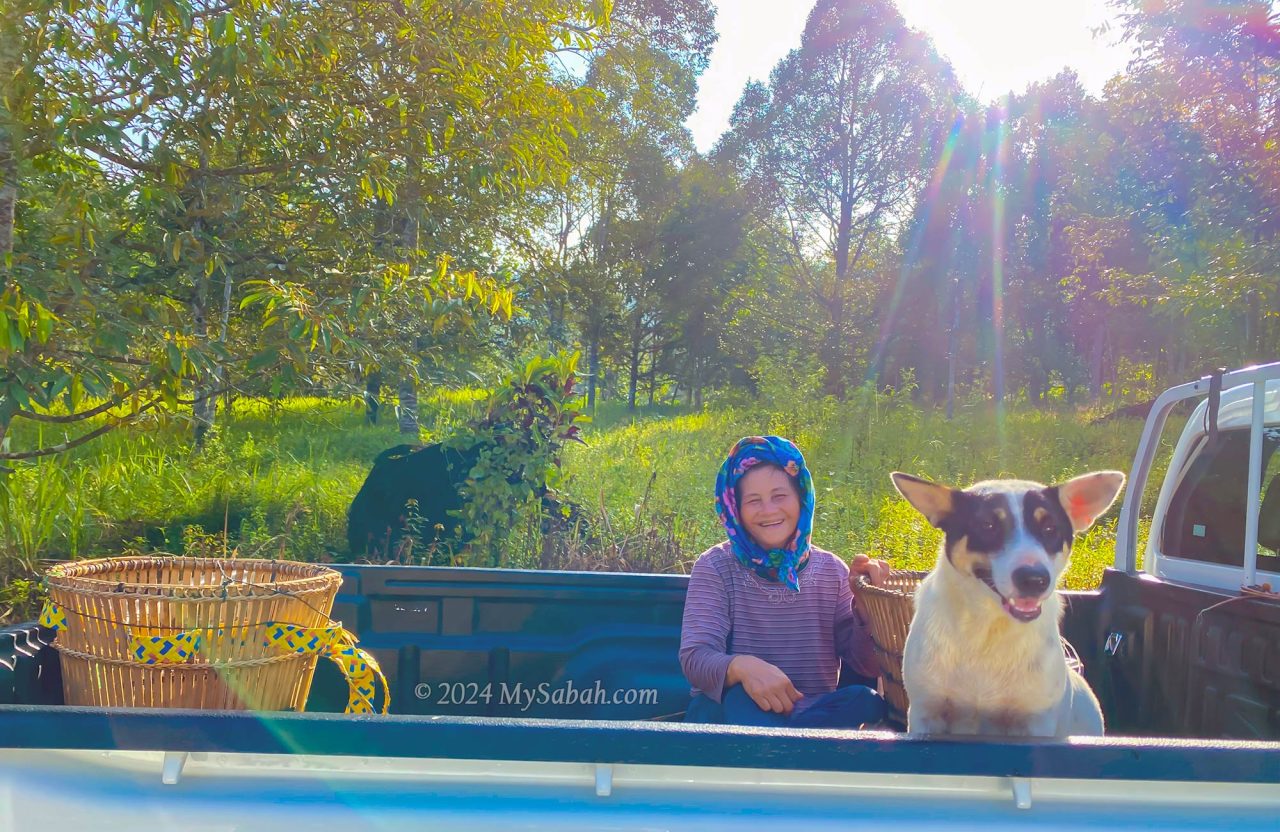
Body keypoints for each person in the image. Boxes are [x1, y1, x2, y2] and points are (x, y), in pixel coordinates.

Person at [679, 435, 891, 728]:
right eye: (753, 501)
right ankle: (792, 749)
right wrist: (743, 668)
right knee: (740, 701)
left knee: (865, 700)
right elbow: (695, 659)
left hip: (810, 712)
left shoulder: (832, 571)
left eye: (780, 496)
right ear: (735, 510)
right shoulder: (716, 566)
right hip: (733, 721)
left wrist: (867, 607)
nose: (768, 510)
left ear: (801, 498)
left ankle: (792, 742)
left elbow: (864, 664)